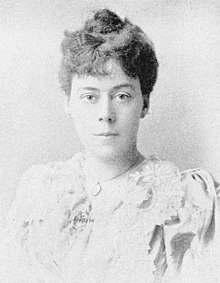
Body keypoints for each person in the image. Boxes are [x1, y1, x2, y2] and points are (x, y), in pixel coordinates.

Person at [0, 8, 219, 283]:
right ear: (68, 102)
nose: (106, 112)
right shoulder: (39, 191)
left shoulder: (185, 200)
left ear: (145, 103)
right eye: (90, 96)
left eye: (122, 95)